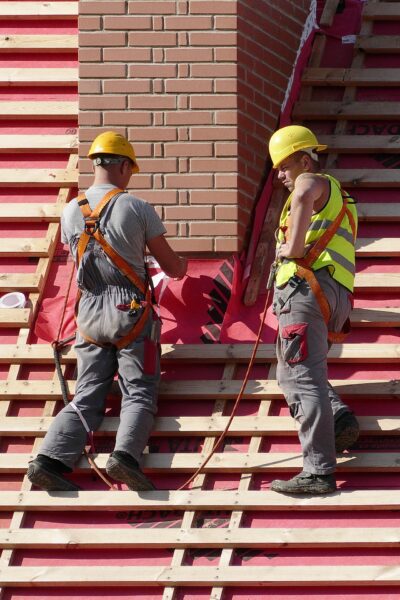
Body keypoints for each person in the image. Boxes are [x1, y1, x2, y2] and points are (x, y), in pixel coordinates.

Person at [28, 131, 187, 492]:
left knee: (87, 392)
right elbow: (170, 266)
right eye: (130, 166)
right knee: (139, 390)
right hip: (128, 309)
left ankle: (50, 460)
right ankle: (126, 457)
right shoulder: (135, 207)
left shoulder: (71, 211)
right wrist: (182, 266)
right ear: (121, 164)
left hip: (88, 314)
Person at [267, 125, 359, 495]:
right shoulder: (339, 197)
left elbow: (304, 188)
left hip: (306, 291)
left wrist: (291, 248)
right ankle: (336, 417)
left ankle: (319, 471)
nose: (281, 176)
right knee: (293, 374)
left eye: (285, 167)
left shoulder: (314, 182)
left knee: (300, 377)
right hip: (327, 293)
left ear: (305, 160)